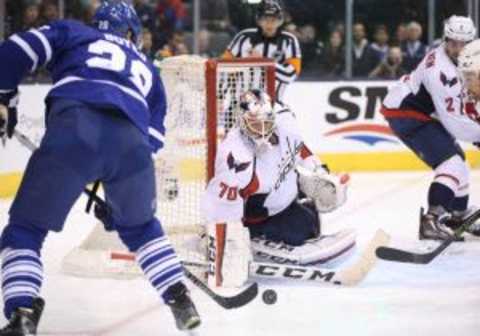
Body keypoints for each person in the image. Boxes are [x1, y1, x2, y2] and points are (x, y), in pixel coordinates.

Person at [0, 1, 200, 334]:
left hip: (74, 129)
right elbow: (148, 141)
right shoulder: (149, 70)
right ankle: (179, 297)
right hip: (132, 151)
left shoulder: (75, 33)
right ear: (132, 33)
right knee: (141, 228)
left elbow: (14, 50)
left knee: (25, 230)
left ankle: (22, 312)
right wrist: (121, 200)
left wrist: (5, 96)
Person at [201, 89, 354, 287]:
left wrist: (320, 171)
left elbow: (298, 147)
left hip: (285, 200)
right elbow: (220, 210)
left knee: (309, 225)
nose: (263, 130)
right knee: (293, 233)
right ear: (242, 122)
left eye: (266, 122)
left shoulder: (284, 120)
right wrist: (222, 256)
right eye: (255, 125)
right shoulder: (235, 157)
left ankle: (298, 188)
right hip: (256, 215)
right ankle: (254, 237)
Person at [381, 15, 480, 241]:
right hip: (406, 113)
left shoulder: (470, 57)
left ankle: (456, 215)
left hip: (424, 112)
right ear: (445, 40)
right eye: (453, 43)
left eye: (464, 43)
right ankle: (431, 220)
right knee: (451, 163)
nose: (459, 48)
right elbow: (455, 122)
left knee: (458, 162)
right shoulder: (441, 71)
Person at [222, 0, 302, 102]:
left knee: (287, 117)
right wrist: (220, 97)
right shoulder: (243, 37)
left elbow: (291, 75)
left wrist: (262, 61)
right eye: (265, 19)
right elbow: (222, 69)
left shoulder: (289, 40)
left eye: (274, 19)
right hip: (241, 105)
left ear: (281, 20)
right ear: (258, 20)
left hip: (275, 105)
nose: (269, 24)